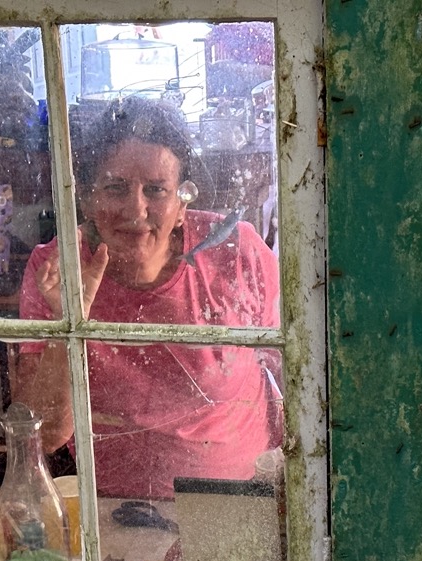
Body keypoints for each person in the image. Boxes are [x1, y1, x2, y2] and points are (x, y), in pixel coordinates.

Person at [15, 98, 281, 500]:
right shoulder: (56, 268)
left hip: (239, 503)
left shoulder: (236, 251)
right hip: (115, 512)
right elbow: (46, 436)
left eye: (156, 190)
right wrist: (69, 321)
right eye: (115, 188)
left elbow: (301, 375)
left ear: (181, 204)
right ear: (87, 200)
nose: (135, 210)